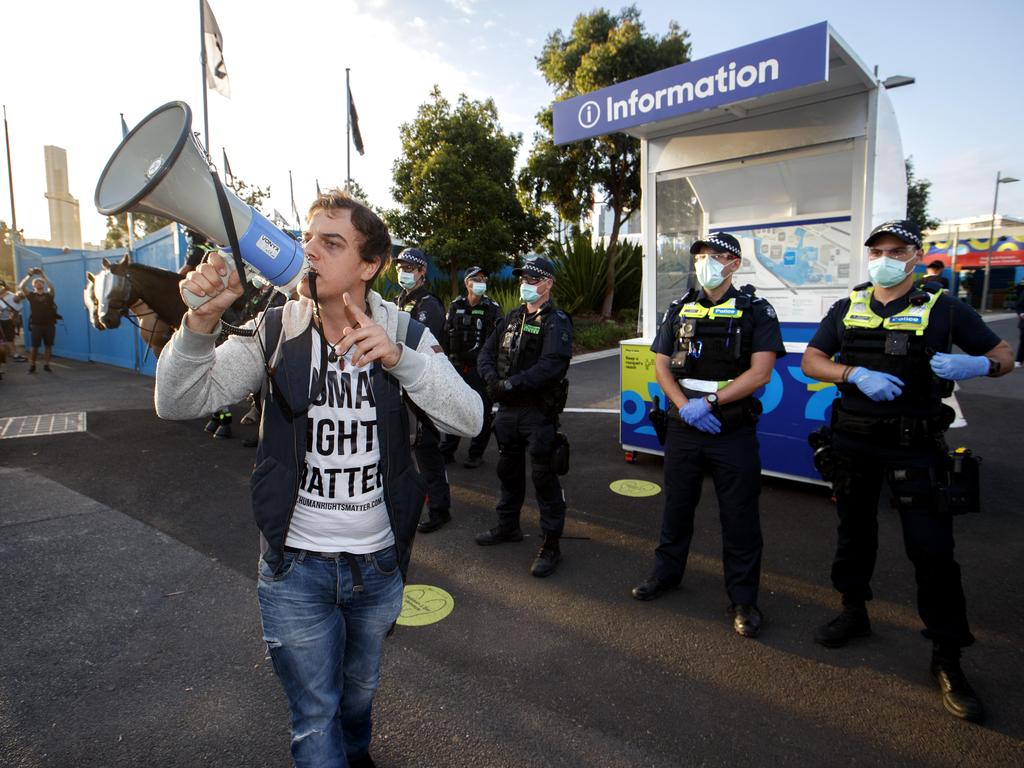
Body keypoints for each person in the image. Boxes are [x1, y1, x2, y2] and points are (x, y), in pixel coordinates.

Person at [154, 190, 482, 767]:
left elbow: (470, 418)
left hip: (378, 565)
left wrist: (401, 360)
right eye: (308, 239)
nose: (311, 252)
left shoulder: (402, 327)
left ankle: (359, 751)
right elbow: (178, 401)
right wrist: (200, 322)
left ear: (370, 264)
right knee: (313, 716)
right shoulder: (275, 328)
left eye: (332, 243)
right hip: (293, 570)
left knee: (356, 697)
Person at [801, 219, 1013, 723]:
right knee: (854, 535)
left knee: (932, 552)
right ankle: (854, 611)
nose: (885, 258)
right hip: (852, 441)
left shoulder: (945, 308)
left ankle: (947, 656)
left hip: (915, 448)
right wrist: (852, 373)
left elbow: (1004, 354)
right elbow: (812, 360)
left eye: (897, 250)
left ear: (916, 256)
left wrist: (979, 367)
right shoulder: (848, 306)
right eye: (877, 250)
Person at [630, 233, 784, 639]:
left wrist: (711, 402)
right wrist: (684, 407)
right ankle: (666, 574)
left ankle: (743, 599)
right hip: (684, 426)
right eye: (700, 256)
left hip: (730, 429)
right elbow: (662, 365)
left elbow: (760, 372)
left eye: (714, 256)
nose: (705, 263)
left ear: (734, 263)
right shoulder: (679, 307)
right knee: (676, 506)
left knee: (739, 516)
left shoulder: (756, 309)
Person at [476, 256, 573, 577]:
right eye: (523, 280)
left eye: (532, 280)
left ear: (548, 284)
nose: (525, 285)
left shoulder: (555, 321)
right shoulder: (513, 317)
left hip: (537, 412)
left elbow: (552, 365)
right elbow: (487, 353)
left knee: (544, 476)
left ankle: (551, 544)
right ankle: (508, 526)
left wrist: (511, 384)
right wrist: (492, 380)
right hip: (507, 410)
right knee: (508, 470)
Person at [393, 247, 453, 534]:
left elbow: (417, 344)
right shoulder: (399, 300)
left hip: (423, 387)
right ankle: (409, 504)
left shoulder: (429, 304)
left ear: (421, 271)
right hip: (399, 386)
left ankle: (440, 509)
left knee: (427, 450)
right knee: (403, 450)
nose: (403, 271)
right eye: (400, 266)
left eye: (409, 267)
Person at [439, 266, 503, 469]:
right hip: (457, 367)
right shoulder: (455, 305)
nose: (481, 282)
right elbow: (445, 336)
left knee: (482, 411)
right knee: (454, 410)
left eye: (484, 279)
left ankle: (475, 454)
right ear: (467, 283)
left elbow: (499, 341)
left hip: (480, 370)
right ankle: (448, 450)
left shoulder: (492, 308)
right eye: (476, 278)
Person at [17, 268, 58, 373]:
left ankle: (46, 365)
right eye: (37, 282)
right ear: (34, 285)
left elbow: (52, 287)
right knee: (34, 347)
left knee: (48, 346)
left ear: (43, 285)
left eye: (41, 283)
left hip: (49, 325)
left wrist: (43, 276)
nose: (39, 284)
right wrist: (29, 275)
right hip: (36, 325)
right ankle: (33, 365)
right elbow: (22, 286)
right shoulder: (31, 296)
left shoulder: (48, 295)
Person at [0, 278, 24, 379]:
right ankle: (13, 354)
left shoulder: (17, 301)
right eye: (19, 295)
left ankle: (12, 355)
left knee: (9, 338)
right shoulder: (7, 294)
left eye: (21, 297)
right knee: (4, 341)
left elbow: (16, 313)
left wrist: (14, 321)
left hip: (6, 321)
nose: (19, 298)